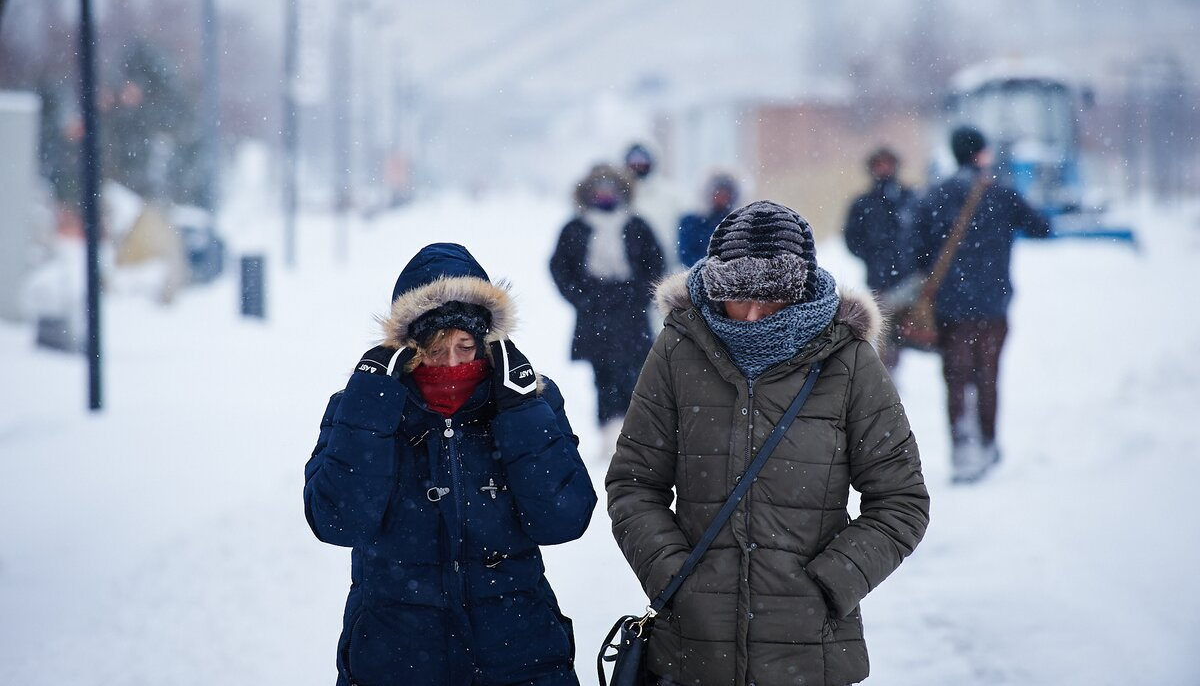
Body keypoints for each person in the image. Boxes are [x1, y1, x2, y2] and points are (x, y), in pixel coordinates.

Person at [606, 200, 930, 686]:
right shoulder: (677, 351)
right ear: (715, 288)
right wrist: (676, 580)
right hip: (693, 650)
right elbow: (633, 485)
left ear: (799, 292)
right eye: (739, 298)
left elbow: (901, 501)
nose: (754, 316)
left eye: (771, 299)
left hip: (811, 653)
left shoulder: (850, 362)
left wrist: (828, 584)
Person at [304, 242, 597, 686]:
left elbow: (564, 519)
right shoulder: (363, 407)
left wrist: (520, 413)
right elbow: (337, 522)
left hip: (520, 656)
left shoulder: (526, 400)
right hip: (396, 658)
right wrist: (368, 407)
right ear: (408, 350)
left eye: (465, 347)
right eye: (436, 352)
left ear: (486, 345)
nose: (453, 364)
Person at [909, 126, 1051, 483]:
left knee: (956, 378)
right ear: (982, 155)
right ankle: (987, 444)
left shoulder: (935, 196)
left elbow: (913, 250)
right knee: (987, 375)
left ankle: (962, 450)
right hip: (992, 305)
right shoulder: (1001, 194)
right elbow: (1041, 227)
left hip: (950, 308)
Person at [550, 164, 665, 452]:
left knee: (637, 375)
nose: (604, 194)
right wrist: (584, 298)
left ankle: (636, 434)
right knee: (603, 377)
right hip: (594, 315)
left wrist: (639, 295)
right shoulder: (575, 228)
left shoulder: (637, 225)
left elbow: (656, 264)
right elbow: (559, 269)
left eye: (610, 189)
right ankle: (608, 435)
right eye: (598, 189)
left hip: (631, 316)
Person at [843, 146, 917, 369]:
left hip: (909, 277)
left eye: (887, 164)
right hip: (879, 277)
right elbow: (852, 238)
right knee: (884, 328)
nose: (883, 169)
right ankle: (887, 370)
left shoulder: (909, 198)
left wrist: (912, 259)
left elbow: (921, 233)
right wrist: (872, 256)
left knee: (908, 327)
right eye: (879, 164)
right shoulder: (863, 203)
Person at [623, 142, 680, 270]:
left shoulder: (671, 195)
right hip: (632, 271)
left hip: (668, 266)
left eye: (642, 161)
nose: (638, 166)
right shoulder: (621, 197)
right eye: (633, 162)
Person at [676, 172, 739, 267]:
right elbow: (686, 254)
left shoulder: (736, 222)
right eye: (719, 193)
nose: (722, 198)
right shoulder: (692, 222)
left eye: (726, 194)